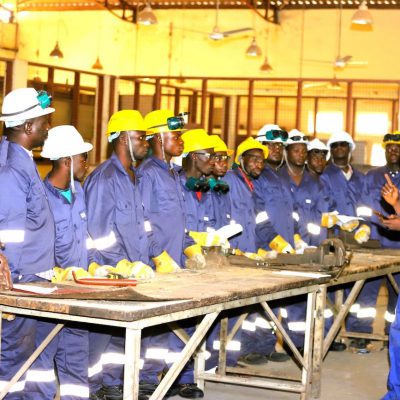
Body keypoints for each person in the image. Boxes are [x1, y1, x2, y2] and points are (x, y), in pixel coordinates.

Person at [84, 110, 153, 400]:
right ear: (124, 139)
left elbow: (140, 225)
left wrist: (148, 257)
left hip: (134, 273)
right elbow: (98, 232)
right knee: (97, 339)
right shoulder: (105, 178)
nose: (146, 143)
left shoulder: (133, 176)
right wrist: (121, 262)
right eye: (141, 138)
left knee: (118, 337)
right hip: (108, 273)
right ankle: (87, 388)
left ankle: (111, 383)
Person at [137, 110, 203, 399]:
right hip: (159, 262)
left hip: (177, 260)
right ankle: (148, 378)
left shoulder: (174, 174)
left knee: (184, 321)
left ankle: (181, 377)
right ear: (157, 139)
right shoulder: (147, 174)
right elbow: (143, 220)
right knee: (157, 328)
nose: (181, 141)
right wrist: (157, 255)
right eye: (175, 136)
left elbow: (180, 219)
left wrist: (190, 245)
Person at [25, 125, 93, 399]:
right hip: (49, 299)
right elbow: (36, 251)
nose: (87, 163)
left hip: (79, 295)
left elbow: (87, 241)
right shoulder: (40, 200)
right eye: (83, 157)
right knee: (41, 365)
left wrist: (97, 268)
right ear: (67, 160)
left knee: (76, 361)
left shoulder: (80, 194)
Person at [0, 88, 56, 399]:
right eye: (43, 122)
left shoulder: (21, 160)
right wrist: (13, 284)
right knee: (13, 356)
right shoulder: (11, 167)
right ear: (27, 126)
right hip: (20, 280)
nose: (47, 127)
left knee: (28, 353)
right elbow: (8, 232)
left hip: (32, 276)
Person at [321, 131, 368, 350]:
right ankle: (329, 336)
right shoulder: (324, 175)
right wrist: (336, 221)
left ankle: (359, 332)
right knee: (331, 290)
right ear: (331, 150)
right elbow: (322, 205)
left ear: (350, 149)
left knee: (358, 289)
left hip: (358, 239)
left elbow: (366, 205)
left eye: (344, 145)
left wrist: (365, 225)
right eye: (336, 145)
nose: (340, 148)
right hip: (333, 239)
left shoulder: (360, 177)